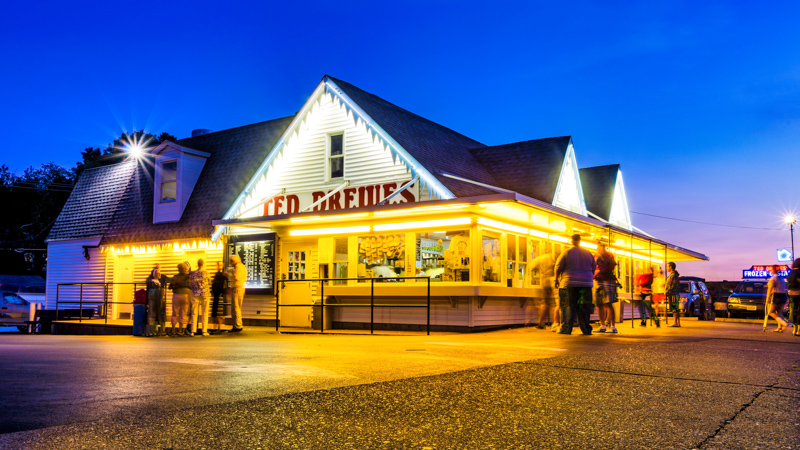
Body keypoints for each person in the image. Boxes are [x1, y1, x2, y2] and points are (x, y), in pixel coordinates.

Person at [555, 234, 596, 335]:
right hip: (586, 284)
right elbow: (593, 267)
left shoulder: (566, 252)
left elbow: (558, 267)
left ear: (571, 240)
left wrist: (556, 280)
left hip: (568, 284)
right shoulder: (588, 253)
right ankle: (586, 330)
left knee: (567, 306)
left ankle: (566, 328)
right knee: (585, 307)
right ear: (580, 241)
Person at [593, 243, 618, 333]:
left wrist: (600, 271)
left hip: (608, 280)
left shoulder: (609, 256)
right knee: (599, 303)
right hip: (598, 280)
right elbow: (592, 267)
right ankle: (602, 325)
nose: (599, 249)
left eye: (601, 247)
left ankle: (613, 326)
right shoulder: (595, 256)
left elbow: (612, 266)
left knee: (608, 303)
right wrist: (594, 275)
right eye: (598, 247)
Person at [531, 250, 557, 330]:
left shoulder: (539, 258)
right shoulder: (551, 257)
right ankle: (555, 322)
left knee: (545, 303)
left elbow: (531, 267)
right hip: (552, 280)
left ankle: (542, 323)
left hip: (545, 281)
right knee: (553, 303)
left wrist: (538, 272)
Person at [189, 259, 211, 336]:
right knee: (205, 312)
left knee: (194, 312)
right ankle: (204, 331)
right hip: (205, 293)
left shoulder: (193, 273)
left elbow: (190, 284)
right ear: (203, 264)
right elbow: (210, 282)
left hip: (195, 293)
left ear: (197, 264)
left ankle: (192, 331)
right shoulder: (206, 273)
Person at [169, 262, 192, 336]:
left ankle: (173, 330)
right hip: (185, 296)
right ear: (185, 269)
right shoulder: (188, 277)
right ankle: (181, 330)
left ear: (178, 269)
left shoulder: (175, 277)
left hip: (176, 295)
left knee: (175, 312)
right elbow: (191, 286)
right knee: (183, 313)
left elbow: (170, 287)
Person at [145, 265, 167, 336]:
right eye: (157, 273)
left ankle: (155, 330)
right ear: (154, 274)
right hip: (153, 299)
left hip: (159, 299)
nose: (159, 275)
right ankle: (150, 330)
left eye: (159, 273)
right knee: (151, 313)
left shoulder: (159, 282)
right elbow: (149, 291)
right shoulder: (151, 282)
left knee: (157, 314)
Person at [766, 265, 789, 333]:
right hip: (783, 296)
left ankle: (784, 323)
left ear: (774, 270)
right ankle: (779, 328)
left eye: (771, 269)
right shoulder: (782, 278)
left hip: (776, 296)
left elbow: (770, 289)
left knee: (770, 312)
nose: (770, 271)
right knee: (779, 312)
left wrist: (767, 298)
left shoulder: (773, 278)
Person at [210, 261, 230, 333]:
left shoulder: (221, 274)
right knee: (216, 312)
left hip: (219, 295)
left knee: (218, 312)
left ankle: (219, 327)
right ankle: (217, 327)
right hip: (218, 295)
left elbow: (215, 284)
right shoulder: (220, 274)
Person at [229, 255, 246, 332]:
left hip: (237, 288)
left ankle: (237, 325)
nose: (230, 263)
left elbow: (236, 277)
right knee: (238, 307)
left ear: (233, 261)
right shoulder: (242, 266)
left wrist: (230, 273)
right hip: (241, 287)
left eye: (231, 261)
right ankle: (239, 324)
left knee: (235, 307)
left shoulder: (237, 267)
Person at [665, 262, 681, 327]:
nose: (666, 268)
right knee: (676, 308)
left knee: (674, 308)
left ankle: (675, 322)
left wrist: (667, 291)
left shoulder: (673, 275)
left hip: (673, 294)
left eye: (667, 266)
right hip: (674, 293)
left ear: (671, 267)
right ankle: (678, 322)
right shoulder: (674, 275)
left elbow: (672, 285)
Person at [787, 258, 800, 336]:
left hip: (791, 293)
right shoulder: (799, 272)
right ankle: (799, 330)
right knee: (799, 311)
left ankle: (794, 330)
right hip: (799, 293)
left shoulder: (791, 272)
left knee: (793, 310)